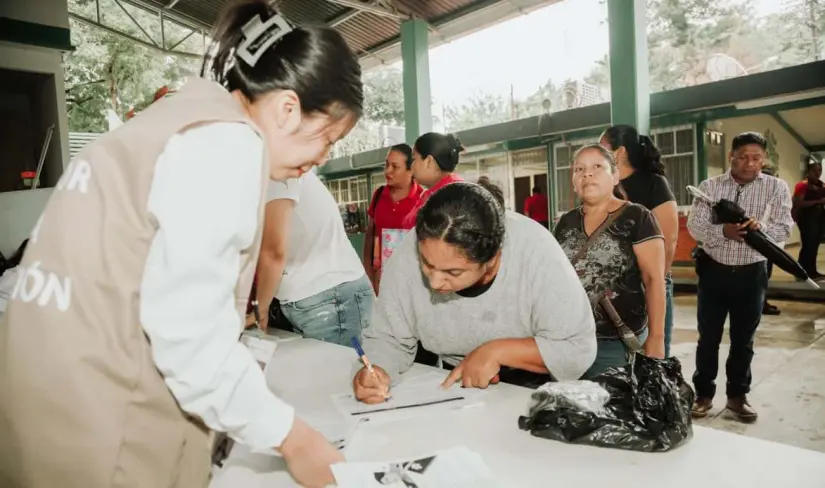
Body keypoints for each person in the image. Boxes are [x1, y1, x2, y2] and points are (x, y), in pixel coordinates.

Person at [0, 2, 363, 487]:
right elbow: (189, 338)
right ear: (287, 108)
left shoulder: (177, 121)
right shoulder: (226, 145)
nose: (321, 158)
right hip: (104, 432)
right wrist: (294, 438)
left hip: (45, 409)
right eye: (327, 138)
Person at [351, 180, 597, 403]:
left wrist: (498, 351)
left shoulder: (535, 251)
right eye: (427, 264)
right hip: (456, 385)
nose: (435, 282)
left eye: (453, 273)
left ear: (491, 259)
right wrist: (376, 370)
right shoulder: (413, 249)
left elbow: (576, 348)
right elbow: (389, 336)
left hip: (532, 389)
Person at [687, 132, 792, 423]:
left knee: (743, 340)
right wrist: (723, 232)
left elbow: (785, 228)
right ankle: (703, 395)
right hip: (713, 272)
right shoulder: (711, 186)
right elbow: (695, 226)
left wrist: (760, 231)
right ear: (731, 156)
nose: (749, 163)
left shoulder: (776, 187)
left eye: (756, 157)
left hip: (752, 274)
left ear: (764, 159)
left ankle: (736, 398)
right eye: (743, 156)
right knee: (708, 337)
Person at [553, 145, 666, 377]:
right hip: (569, 340)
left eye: (597, 167)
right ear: (574, 181)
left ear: (615, 176)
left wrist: (656, 338)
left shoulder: (638, 217)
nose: (587, 174)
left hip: (616, 343)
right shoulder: (566, 222)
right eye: (579, 169)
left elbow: (654, 280)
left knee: (613, 407)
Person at [255, 170, 374, 346]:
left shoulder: (278, 171)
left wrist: (260, 309)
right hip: (311, 297)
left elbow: (273, 251)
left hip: (331, 296)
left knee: (333, 372)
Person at [599, 125, 678, 358]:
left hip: (650, 283)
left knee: (653, 358)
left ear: (619, 152)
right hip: (614, 290)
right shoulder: (605, 186)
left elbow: (670, 240)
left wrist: (653, 286)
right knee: (621, 357)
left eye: (601, 146)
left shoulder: (653, 183)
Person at [363, 144, 424, 293]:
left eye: (395, 166)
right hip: (381, 281)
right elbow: (371, 233)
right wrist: (368, 270)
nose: (387, 171)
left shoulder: (423, 199)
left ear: (411, 169)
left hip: (413, 282)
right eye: (386, 164)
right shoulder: (378, 195)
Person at [401, 132, 465, 228]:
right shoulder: (450, 188)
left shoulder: (447, 194)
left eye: (414, 159)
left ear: (429, 161)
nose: (411, 166)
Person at [793, 160, 825, 280]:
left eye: (819, 170)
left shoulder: (821, 184)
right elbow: (798, 203)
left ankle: (812, 271)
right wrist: (818, 201)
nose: (817, 173)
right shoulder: (802, 185)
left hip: (819, 218)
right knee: (808, 245)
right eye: (815, 170)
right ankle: (801, 272)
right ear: (808, 171)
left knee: (814, 246)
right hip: (806, 218)